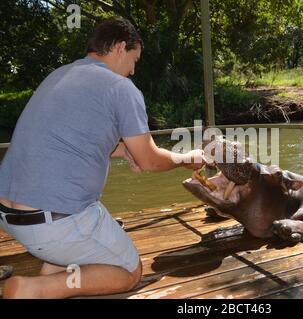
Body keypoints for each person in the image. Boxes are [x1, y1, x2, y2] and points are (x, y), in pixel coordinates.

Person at [0, 17, 204, 299]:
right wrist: (186, 158)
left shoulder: (60, 75)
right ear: (120, 47)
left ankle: (55, 266)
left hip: (11, 216)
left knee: (82, 228)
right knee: (129, 271)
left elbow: (68, 138)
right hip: (52, 224)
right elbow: (151, 161)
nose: (133, 70)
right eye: (134, 59)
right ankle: (35, 289)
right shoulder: (121, 89)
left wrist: (123, 150)